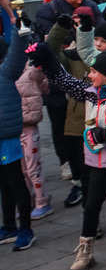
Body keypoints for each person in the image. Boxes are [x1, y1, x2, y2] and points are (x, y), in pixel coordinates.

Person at [27, 42, 106, 270]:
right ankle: (86, 250)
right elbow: (65, 81)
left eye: (94, 72)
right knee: (91, 205)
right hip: (96, 162)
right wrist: (46, 59)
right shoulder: (91, 93)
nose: (89, 75)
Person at [0, 34, 36, 250]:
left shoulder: (6, 71)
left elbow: (19, 48)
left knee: (16, 182)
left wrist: (14, 18)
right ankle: (9, 226)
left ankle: (26, 229)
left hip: (8, 138)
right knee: (3, 184)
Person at [17, 44, 53, 221]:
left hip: (30, 127)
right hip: (15, 128)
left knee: (32, 167)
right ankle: (29, 200)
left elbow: (44, 86)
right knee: (23, 169)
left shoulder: (31, 71)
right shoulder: (7, 74)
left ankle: (42, 200)